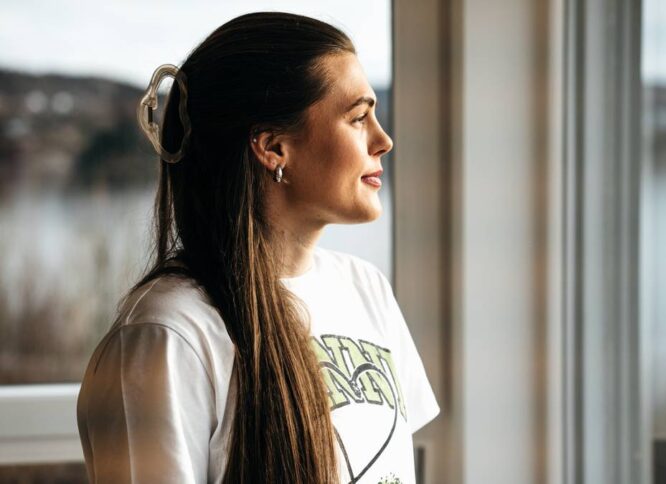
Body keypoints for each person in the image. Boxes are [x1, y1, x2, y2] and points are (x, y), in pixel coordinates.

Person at [76, 12, 439, 484]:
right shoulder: (168, 334)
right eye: (357, 118)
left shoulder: (367, 289)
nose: (383, 141)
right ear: (273, 148)